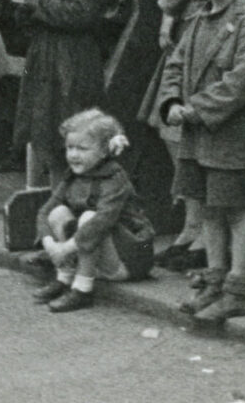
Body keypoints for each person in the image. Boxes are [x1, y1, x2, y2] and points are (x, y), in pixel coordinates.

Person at [153, 0, 245, 329]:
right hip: (199, 133)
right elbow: (175, 63)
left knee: (234, 210)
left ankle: (238, 289)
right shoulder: (199, 18)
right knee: (207, 208)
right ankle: (215, 279)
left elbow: (241, 83)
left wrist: (194, 109)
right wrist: (171, 100)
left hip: (230, 133)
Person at [6, 0, 109, 188]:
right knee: (41, 131)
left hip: (73, 62)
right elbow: (29, 15)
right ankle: (42, 192)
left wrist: (38, 2)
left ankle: (69, 197)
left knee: (71, 132)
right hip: (42, 58)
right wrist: (23, 6)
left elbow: (82, 14)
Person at [25, 108, 154, 313]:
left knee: (89, 217)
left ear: (104, 151)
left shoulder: (115, 180)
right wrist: (50, 245)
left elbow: (100, 222)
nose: (73, 155)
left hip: (126, 260)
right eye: (70, 147)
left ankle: (83, 289)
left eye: (82, 149)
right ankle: (64, 278)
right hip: (93, 254)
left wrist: (64, 249)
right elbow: (44, 212)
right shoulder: (73, 176)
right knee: (57, 213)